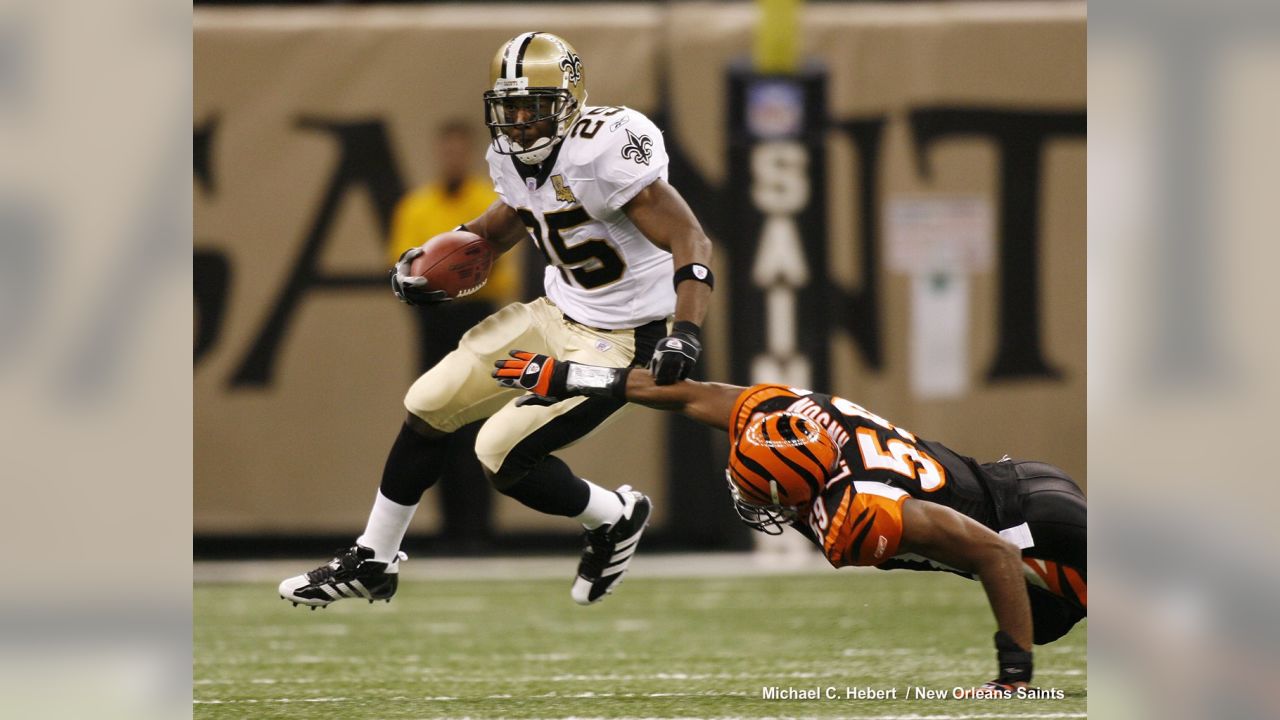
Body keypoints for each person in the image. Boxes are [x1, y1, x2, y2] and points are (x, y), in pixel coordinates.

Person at [279, 32, 714, 608]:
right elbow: (505, 221)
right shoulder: (510, 155)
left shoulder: (605, 148)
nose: (519, 123)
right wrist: (445, 251)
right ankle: (374, 560)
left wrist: (685, 330)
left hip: (623, 337)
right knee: (429, 402)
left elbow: (689, 236)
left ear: (568, 101)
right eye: (509, 108)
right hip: (556, 311)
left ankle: (613, 515)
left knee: (501, 452)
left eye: (533, 108)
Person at [493, 351, 1087, 690]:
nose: (752, 500)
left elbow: (995, 555)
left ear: (797, 491)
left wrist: (1012, 677)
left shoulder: (862, 510)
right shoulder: (789, 419)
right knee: (1054, 622)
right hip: (1015, 488)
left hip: (1037, 534)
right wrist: (571, 376)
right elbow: (684, 394)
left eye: (763, 494)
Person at [386, 119, 517, 550]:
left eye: (461, 150)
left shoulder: (490, 202)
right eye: (447, 149)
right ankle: (448, 526)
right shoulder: (416, 206)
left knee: (478, 419)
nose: (453, 158)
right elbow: (406, 268)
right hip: (435, 320)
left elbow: (501, 270)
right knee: (431, 417)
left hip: (478, 317)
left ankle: (479, 528)